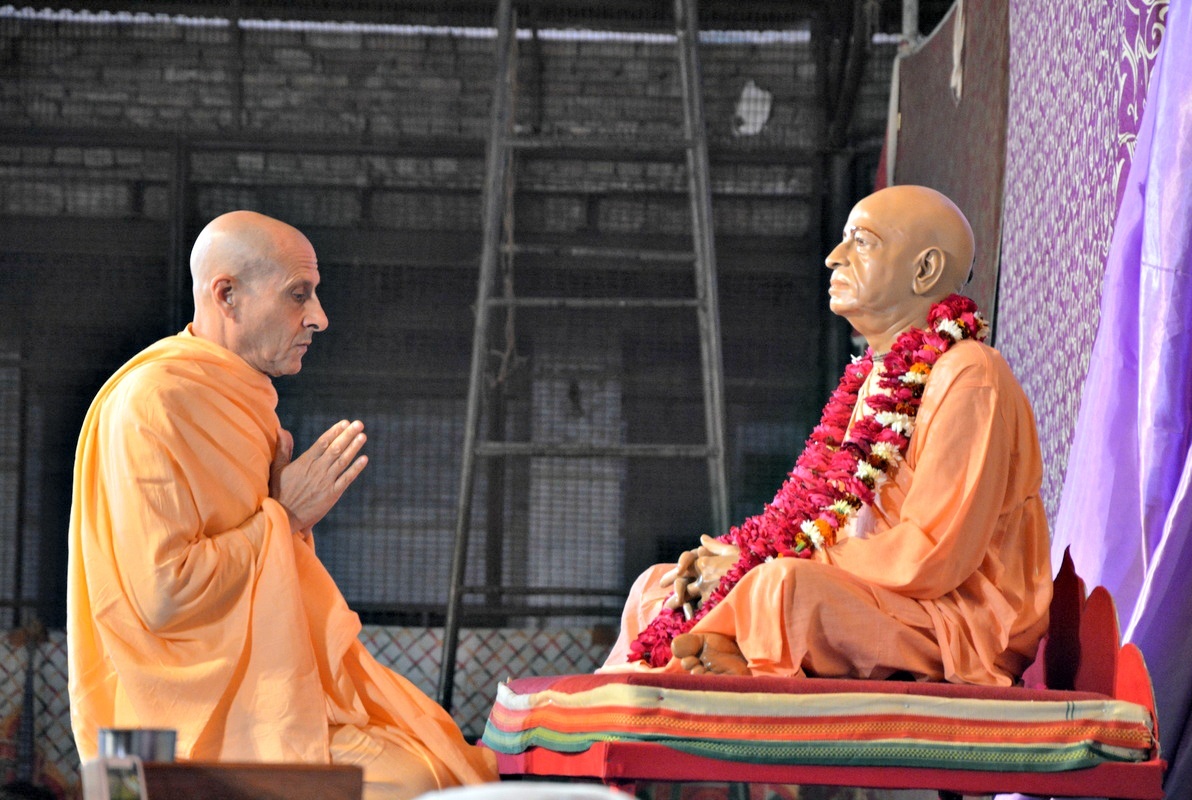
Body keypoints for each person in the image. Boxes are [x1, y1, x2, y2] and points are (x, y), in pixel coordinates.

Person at [66, 210, 498, 799]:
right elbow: (164, 596)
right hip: (174, 717)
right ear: (227, 296)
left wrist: (283, 520)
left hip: (263, 691)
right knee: (415, 781)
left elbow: (261, 571)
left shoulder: (240, 400)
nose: (318, 318)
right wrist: (286, 516)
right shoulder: (154, 402)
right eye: (300, 295)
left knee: (443, 753)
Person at [601, 185, 1052, 686]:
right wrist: (735, 562)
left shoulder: (968, 374)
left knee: (784, 587)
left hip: (954, 617)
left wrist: (756, 561)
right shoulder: (869, 378)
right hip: (865, 592)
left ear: (924, 270)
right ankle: (660, 678)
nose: (833, 258)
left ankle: (729, 664)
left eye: (862, 242)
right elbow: (817, 522)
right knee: (661, 585)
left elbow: (932, 558)